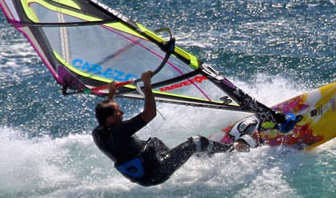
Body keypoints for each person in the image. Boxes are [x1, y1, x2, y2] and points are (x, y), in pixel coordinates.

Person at [92, 71, 235, 186]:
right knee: (197, 142)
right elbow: (149, 114)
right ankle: (232, 149)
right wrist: (147, 85)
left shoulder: (98, 132)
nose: (122, 113)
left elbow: (108, 113)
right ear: (110, 120)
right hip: (158, 171)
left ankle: (195, 154)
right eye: (118, 112)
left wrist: (111, 93)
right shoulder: (120, 132)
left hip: (142, 176)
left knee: (154, 142)